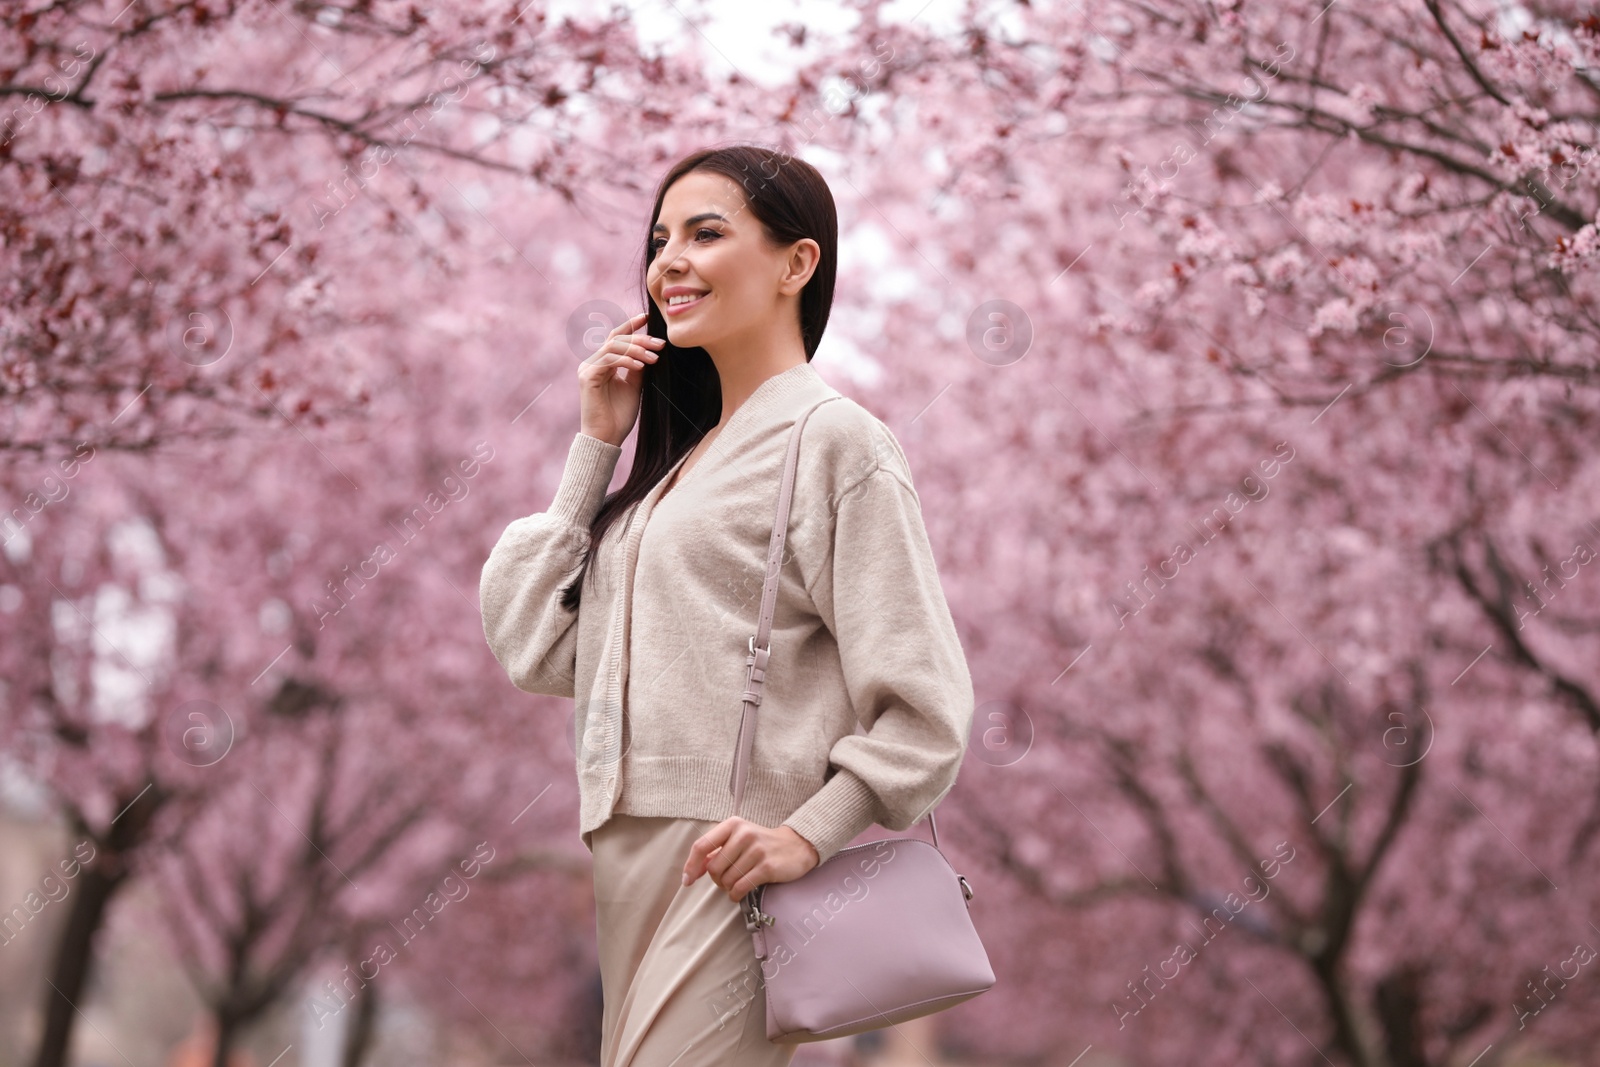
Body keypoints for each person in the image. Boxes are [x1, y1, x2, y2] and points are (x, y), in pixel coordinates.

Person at [479, 142, 975, 1066]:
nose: (670, 259)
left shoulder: (836, 442)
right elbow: (536, 648)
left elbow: (927, 708)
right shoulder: (679, 468)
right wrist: (596, 448)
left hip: (731, 862)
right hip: (626, 856)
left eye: (706, 233)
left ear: (797, 263)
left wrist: (805, 834)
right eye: (661, 238)